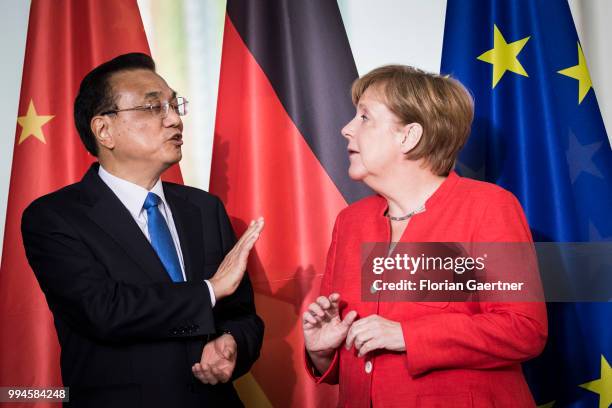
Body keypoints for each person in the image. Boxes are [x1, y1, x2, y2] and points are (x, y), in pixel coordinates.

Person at [21, 53, 264, 408]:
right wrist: (208, 291)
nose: (174, 120)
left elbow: (242, 316)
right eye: (153, 108)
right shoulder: (54, 217)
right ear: (104, 130)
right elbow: (102, 310)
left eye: (174, 104)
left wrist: (232, 343)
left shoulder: (204, 208)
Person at [302, 65, 547, 407]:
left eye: (364, 117)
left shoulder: (488, 207)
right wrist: (322, 351)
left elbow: (524, 330)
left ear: (409, 136)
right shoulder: (350, 222)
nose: (346, 129)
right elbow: (361, 364)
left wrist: (407, 335)